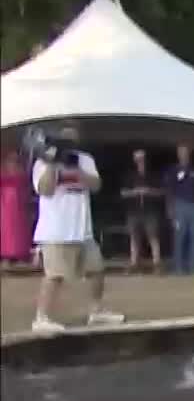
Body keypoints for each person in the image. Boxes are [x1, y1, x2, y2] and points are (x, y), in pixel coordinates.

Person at [29, 125, 124, 332]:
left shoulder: (85, 159)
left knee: (97, 270)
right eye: (65, 138)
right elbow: (45, 190)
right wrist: (53, 164)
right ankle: (42, 317)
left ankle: (96, 311)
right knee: (54, 275)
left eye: (73, 138)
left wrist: (78, 170)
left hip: (82, 229)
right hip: (56, 230)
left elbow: (96, 185)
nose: (70, 142)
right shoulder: (43, 161)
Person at [120, 149, 165, 273]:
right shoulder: (129, 175)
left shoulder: (153, 175)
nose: (140, 160)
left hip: (150, 210)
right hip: (134, 211)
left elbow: (162, 192)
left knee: (153, 237)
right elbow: (123, 193)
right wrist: (135, 192)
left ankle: (157, 264)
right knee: (134, 238)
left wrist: (149, 191)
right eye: (137, 158)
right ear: (134, 160)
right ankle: (134, 263)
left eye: (142, 158)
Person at [165, 143, 194, 275]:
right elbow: (169, 191)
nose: (184, 155)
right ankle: (178, 267)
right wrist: (170, 209)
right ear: (178, 154)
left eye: (186, 152)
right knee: (179, 236)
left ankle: (193, 266)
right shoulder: (173, 171)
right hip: (179, 205)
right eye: (181, 152)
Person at [1, 149, 32, 269]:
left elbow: (26, 184)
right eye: (11, 159)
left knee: (18, 230)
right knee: (7, 230)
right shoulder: (3, 169)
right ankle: (7, 256)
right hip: (5, 203)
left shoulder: (21, 169)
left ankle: (19, 255)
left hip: (19, 203)